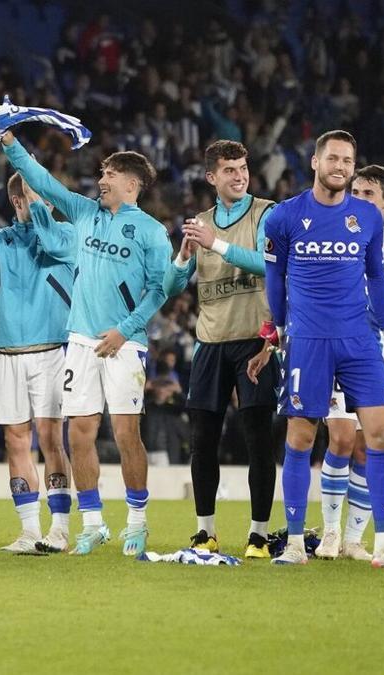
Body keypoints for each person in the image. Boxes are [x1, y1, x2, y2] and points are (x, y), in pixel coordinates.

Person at [249, 129, 384, 568]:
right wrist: (280, 330)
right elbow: (274, 278)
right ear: (315, 162)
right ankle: (292, 544)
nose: (341, 167)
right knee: (301, 437)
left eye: (348, 160)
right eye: (334, 159)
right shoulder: (285, 217)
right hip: (308, 341)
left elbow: (379, 281)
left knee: (381, 436)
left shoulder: (368, 217)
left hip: (361, 342)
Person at [2, 129, 172, 557]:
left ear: (130, 184)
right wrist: (10, 144)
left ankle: (137, 521)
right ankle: (92, 522)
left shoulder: (151, 231)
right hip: (78, 341)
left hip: (125, 343)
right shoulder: (83, 212)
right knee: (78, 432)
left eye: (109, 174)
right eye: (102, 172)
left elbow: (159, 289)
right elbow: (41, 182)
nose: (101, 179)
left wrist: (124, 329)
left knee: (126, 432)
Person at [163, 140, 277, 558]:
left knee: (258, 439)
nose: (240, 176)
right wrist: (183, 257)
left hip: (255, 339)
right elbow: (170, 288)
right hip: (209, 342)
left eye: (243, 168)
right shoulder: (200, 223)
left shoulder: (267, 212)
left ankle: (259, 535)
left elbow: (270, 265)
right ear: (212, 177)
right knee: (203, 440)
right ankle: (204, 531)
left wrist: (215, 245)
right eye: (230, 170)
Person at [0, 166, 75, 553]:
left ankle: (59, 529)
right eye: (38, 195)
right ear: (17, 201)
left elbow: (52, 243)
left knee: (50, 437)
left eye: (48, 194)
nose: (48, 201)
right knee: (15, 440)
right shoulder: (4, 240)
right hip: (8, 352)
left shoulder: (64, 233)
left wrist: (40, 202)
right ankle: (29, 530)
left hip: (50, 351)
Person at [316, 165, 384, 560]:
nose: (358, 199)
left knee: (367, 448)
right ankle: (328, 532)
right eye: (355, 191)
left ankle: (354, 539)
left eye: (368, 194)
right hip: (336, 345)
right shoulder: (332, 236)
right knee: (342, 438)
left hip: (382, 354)